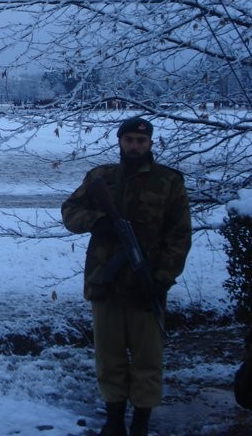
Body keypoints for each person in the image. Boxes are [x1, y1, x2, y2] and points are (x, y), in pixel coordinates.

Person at [61, 117, 192, 436]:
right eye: (129, 140)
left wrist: (162, 278)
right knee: (110, 359)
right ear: (120, 142)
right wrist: (97, 221)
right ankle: (115, 420)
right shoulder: (101, 177)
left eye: (140, 141)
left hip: (146, 288)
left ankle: (141, 424)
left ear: (150, 144)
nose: (134, 146)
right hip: (105, 285)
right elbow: (70, 212)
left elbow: (180, 235)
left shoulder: (168, 181)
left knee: (148, 362)